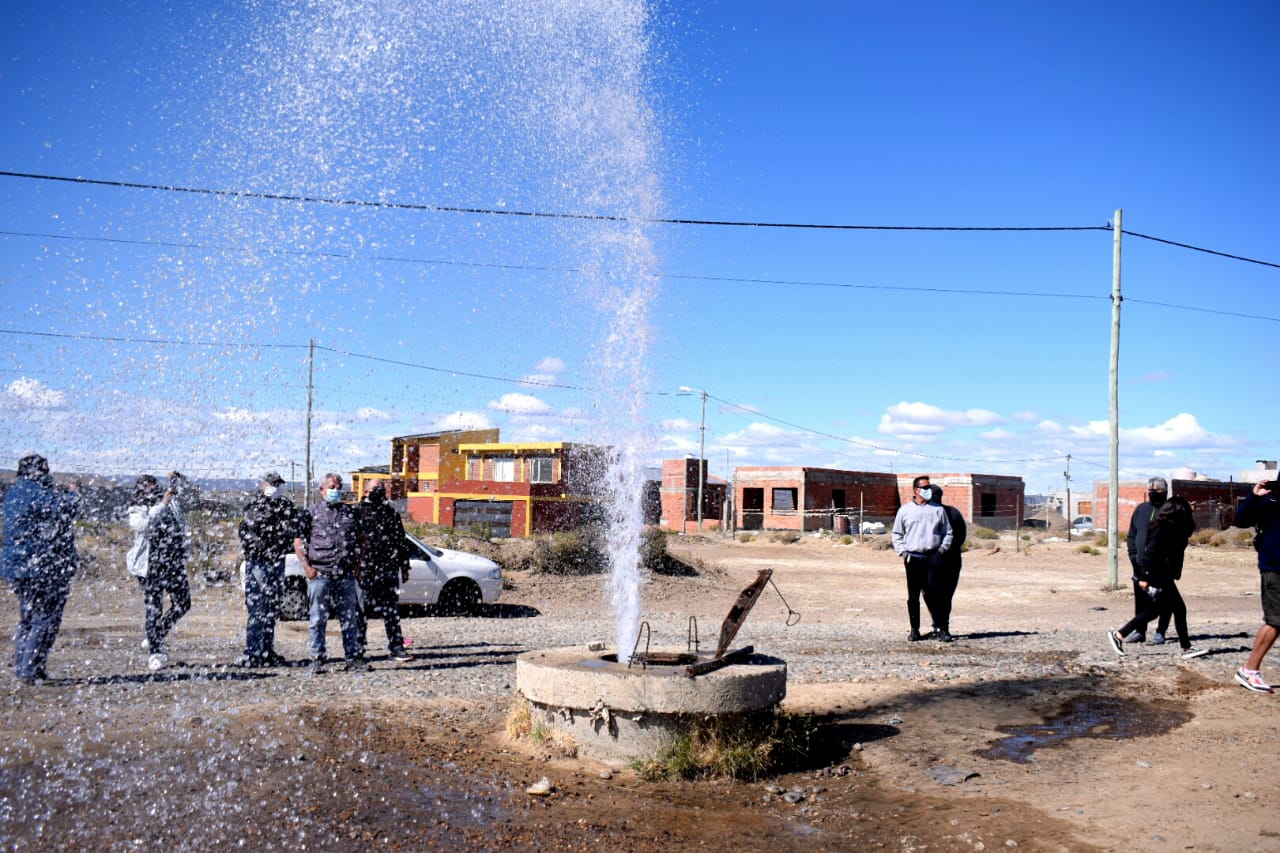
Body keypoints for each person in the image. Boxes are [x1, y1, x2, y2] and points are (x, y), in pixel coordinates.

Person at [1, 454, 81, 685]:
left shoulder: (15, 492)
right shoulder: (34, 493)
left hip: (17, 566)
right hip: (39, 567)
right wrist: (73, 493)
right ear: (35, 472)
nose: (48, 474)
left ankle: (23, 666)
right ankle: (31, 670)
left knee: (28, 618)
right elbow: (65, 507)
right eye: (45, 470)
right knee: (44, 619)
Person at [1107, 496, 1206, 660]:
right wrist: (1144, 576)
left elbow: (1188, 531)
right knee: (1179, 609)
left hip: (1162, 573)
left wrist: (1190, 513)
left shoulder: (1173, 527)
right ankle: (1186, 648)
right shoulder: (1161, 528)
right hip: (1158, 573)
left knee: (1153, 611)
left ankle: (1118, 635)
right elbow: (1150, 553)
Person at [294, 472, 368, 675]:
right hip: (321, 574)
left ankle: (353, 658)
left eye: (338, 487)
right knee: (318, 619)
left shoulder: (350, 513)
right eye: (331, 487)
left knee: (349, 619)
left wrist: (358, 565)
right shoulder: (311, 513)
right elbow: (299, 542)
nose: (335, 491)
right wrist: (308, 568)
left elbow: (361, 539)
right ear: (321, 490)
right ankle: (318, 658)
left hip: (345, 575)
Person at [127, 472, 191, 671]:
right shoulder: (137, 508)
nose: (152, 490)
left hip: (173, 563)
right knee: (154, 608)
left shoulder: (170, 502)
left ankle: (157, 633)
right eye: (148, 486)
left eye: (154, 485)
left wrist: (177, 480)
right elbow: (143, 525)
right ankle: (155, 652)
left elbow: (188, 494)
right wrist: (162, 504)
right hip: (150, 566)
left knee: (183, 603)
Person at [236, 472, 300, 668]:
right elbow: (258, 526)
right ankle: (252, 653)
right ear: (262, 484)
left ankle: (266, 651)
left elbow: (293, 527)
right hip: (258, 562)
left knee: (271, 610)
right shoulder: (254, 503)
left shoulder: (285, 504)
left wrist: (282, 527)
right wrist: (279, 525)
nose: (275, 487)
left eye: (278, 483)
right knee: (257, 610)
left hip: (277, 561)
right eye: (272, 483)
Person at [355, 480, 414, 663]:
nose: (379, 492)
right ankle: (358, 650)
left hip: (388, 570)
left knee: (392, 612)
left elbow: (400, 541)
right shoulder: (357, 513)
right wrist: (355, 565)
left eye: (382, 488)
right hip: (365, 571)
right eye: (375, 489)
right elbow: (352, 541)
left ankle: (396, 647)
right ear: (365, 492)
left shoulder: (390, 512)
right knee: (361, 611)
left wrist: (404, 566)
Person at [891, 475, 954, 642]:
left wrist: (941, 550)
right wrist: (903, 552)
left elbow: (948, 532)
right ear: (916, 490)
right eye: (925, 488)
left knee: (937, 595)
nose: (928, 490)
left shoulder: (938, 510)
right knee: (913, 596)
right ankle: (914, 630)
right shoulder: (904, 511)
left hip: (933, 558)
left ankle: (942, 629)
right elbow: (897, 534)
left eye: (929, 487)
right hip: (913, 559)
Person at [1232, 479, 1280, 693]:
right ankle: (1249, 670)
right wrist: (1253, 496)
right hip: (1275, 568)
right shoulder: (1269, 500)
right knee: (1276, 621)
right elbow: (1240, 520)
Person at [1125, 476, 1173, 644]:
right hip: (1139, 564)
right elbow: (1132, 533)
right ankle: (1140, 631)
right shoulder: (1141, 509)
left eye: (1157, 491)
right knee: (1141, 599)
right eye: (1151, 491)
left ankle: (1161, 632)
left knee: (1164, 599)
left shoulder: (1170, 510)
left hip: (1161, 565)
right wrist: (1132, 554)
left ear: (1165, 492)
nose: (1153, 493)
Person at [928, 484, 967, 641]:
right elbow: (961, 537)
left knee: (932, 594)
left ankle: (939, 627)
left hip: (934, 561)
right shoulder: (953, 512)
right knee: (945, 595)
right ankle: (942, 627)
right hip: (952, 559)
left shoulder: (933, 513)